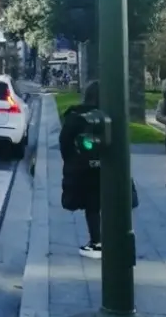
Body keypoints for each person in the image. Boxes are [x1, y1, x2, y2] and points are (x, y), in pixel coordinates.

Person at [58, 80, 103, 259]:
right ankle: (113, 240)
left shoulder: (76, 116)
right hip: (109, 167)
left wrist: (72, 161)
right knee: (108, 204)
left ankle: (97, 242)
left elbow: (64, 142)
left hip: (85, 169)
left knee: (92, 206)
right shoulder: (112, 114)